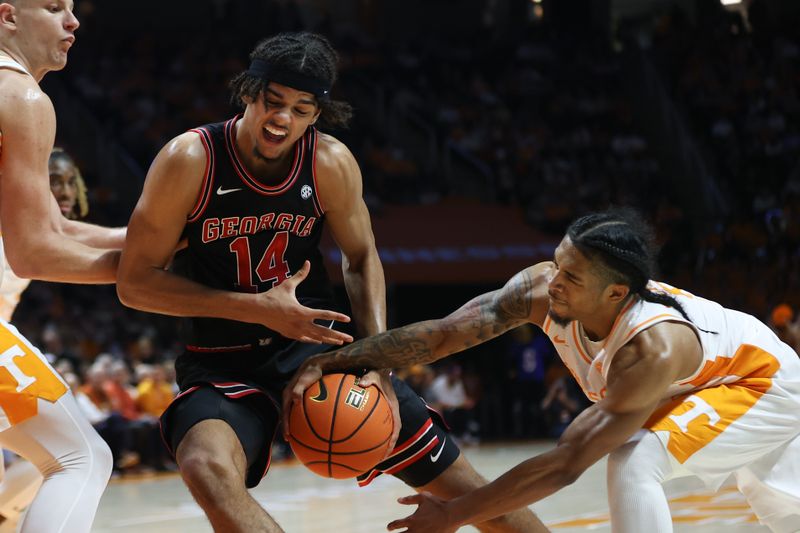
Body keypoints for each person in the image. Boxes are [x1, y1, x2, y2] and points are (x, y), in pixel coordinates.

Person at [117, 31, 543, 533]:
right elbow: (135, 283)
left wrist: (377, 361)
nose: (282, 119)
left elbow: (361, 259)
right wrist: (256, 308)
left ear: (317, 114)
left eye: (301, 109)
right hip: (221, 361)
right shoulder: (190, 160)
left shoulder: (329, 162)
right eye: (272, 102)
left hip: (320, 352)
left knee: (471, 491)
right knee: (204, 465)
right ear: (248, 92)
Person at [287, 208, 800, 533]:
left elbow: (566, 462)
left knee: (633, 459)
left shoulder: (652, 350)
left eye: (571, 277)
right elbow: (444, 334)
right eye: (557, 262)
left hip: (763, 384)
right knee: (782, 509)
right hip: (712, 381)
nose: (554, 282)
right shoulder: (540, 290)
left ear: (615, 294)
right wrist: (342, 357)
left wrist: (453, 515)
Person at [0, 1, 127, 530]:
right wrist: (166, 276)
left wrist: (168, 237)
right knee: (80, 458)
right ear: (8, 16)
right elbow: (37, 251)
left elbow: (60, 229)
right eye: (54, 8)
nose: (73, 22)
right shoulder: (22, 97)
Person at [0, 147, 99, 530]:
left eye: (69, 181)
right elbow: (73, 240)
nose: (64, 190)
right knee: (82, 456)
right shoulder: (13, 215)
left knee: (53, 464)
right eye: (53, 180)